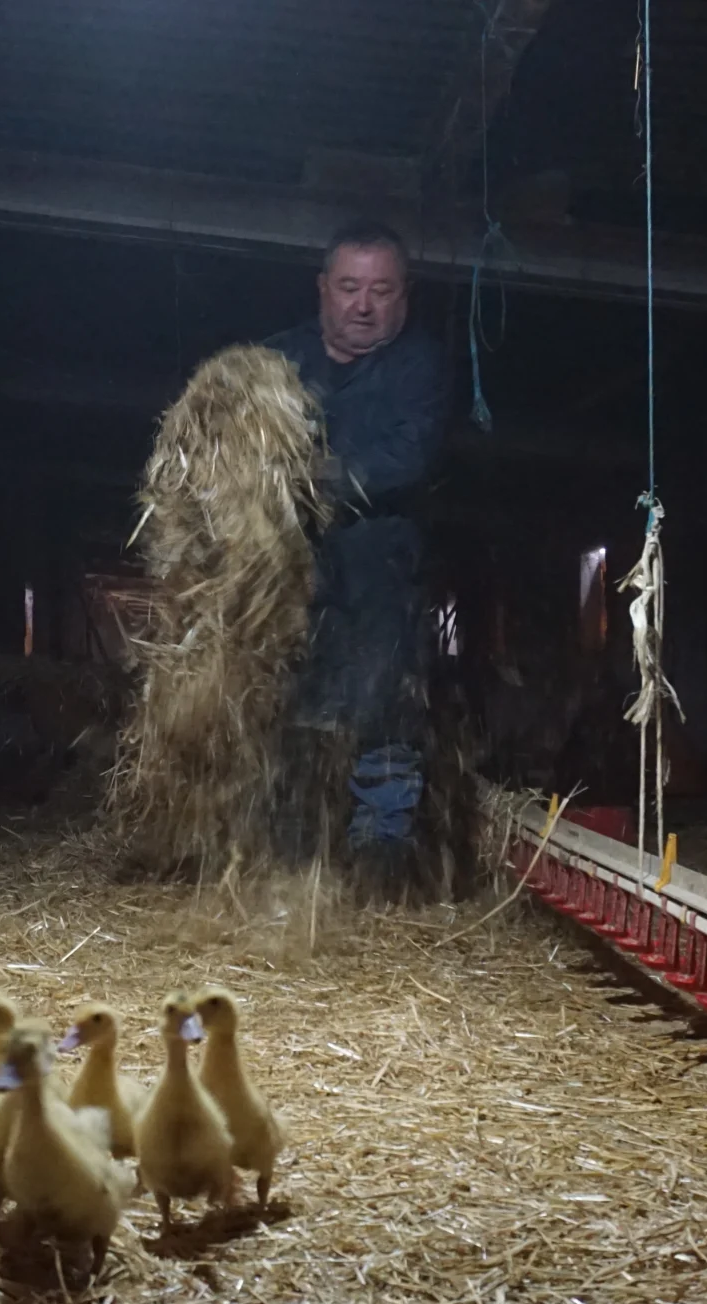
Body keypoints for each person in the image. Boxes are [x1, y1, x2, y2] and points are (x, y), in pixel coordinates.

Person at [264, 221, 451, 872]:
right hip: (286, 563)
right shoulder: (272, 365)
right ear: (323, 289)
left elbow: (408, 454)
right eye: (349, 287)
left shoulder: (418, 366)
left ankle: (380, 855)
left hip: (380, 561)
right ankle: (285, 847)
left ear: (404, 296)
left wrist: (309, 479)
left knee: (384, 699)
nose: (363, 305)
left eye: (381, 289)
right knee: (280, 697)